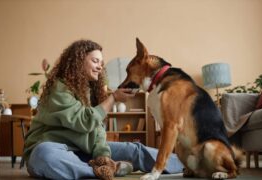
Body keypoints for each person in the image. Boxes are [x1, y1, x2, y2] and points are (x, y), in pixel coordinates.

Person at [23, 39, 183, 179]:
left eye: (101, 62)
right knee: (44, 156)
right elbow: (83, 121)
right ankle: (101, 171)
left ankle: (188, 164)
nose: (100, 66)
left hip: (83, 151)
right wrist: (113, 98)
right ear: (78, 61)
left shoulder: (91, 91)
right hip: (53, 147)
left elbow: (97, 131)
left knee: (134, 149)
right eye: (95, 61)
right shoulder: (59, 88)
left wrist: (103, 157)